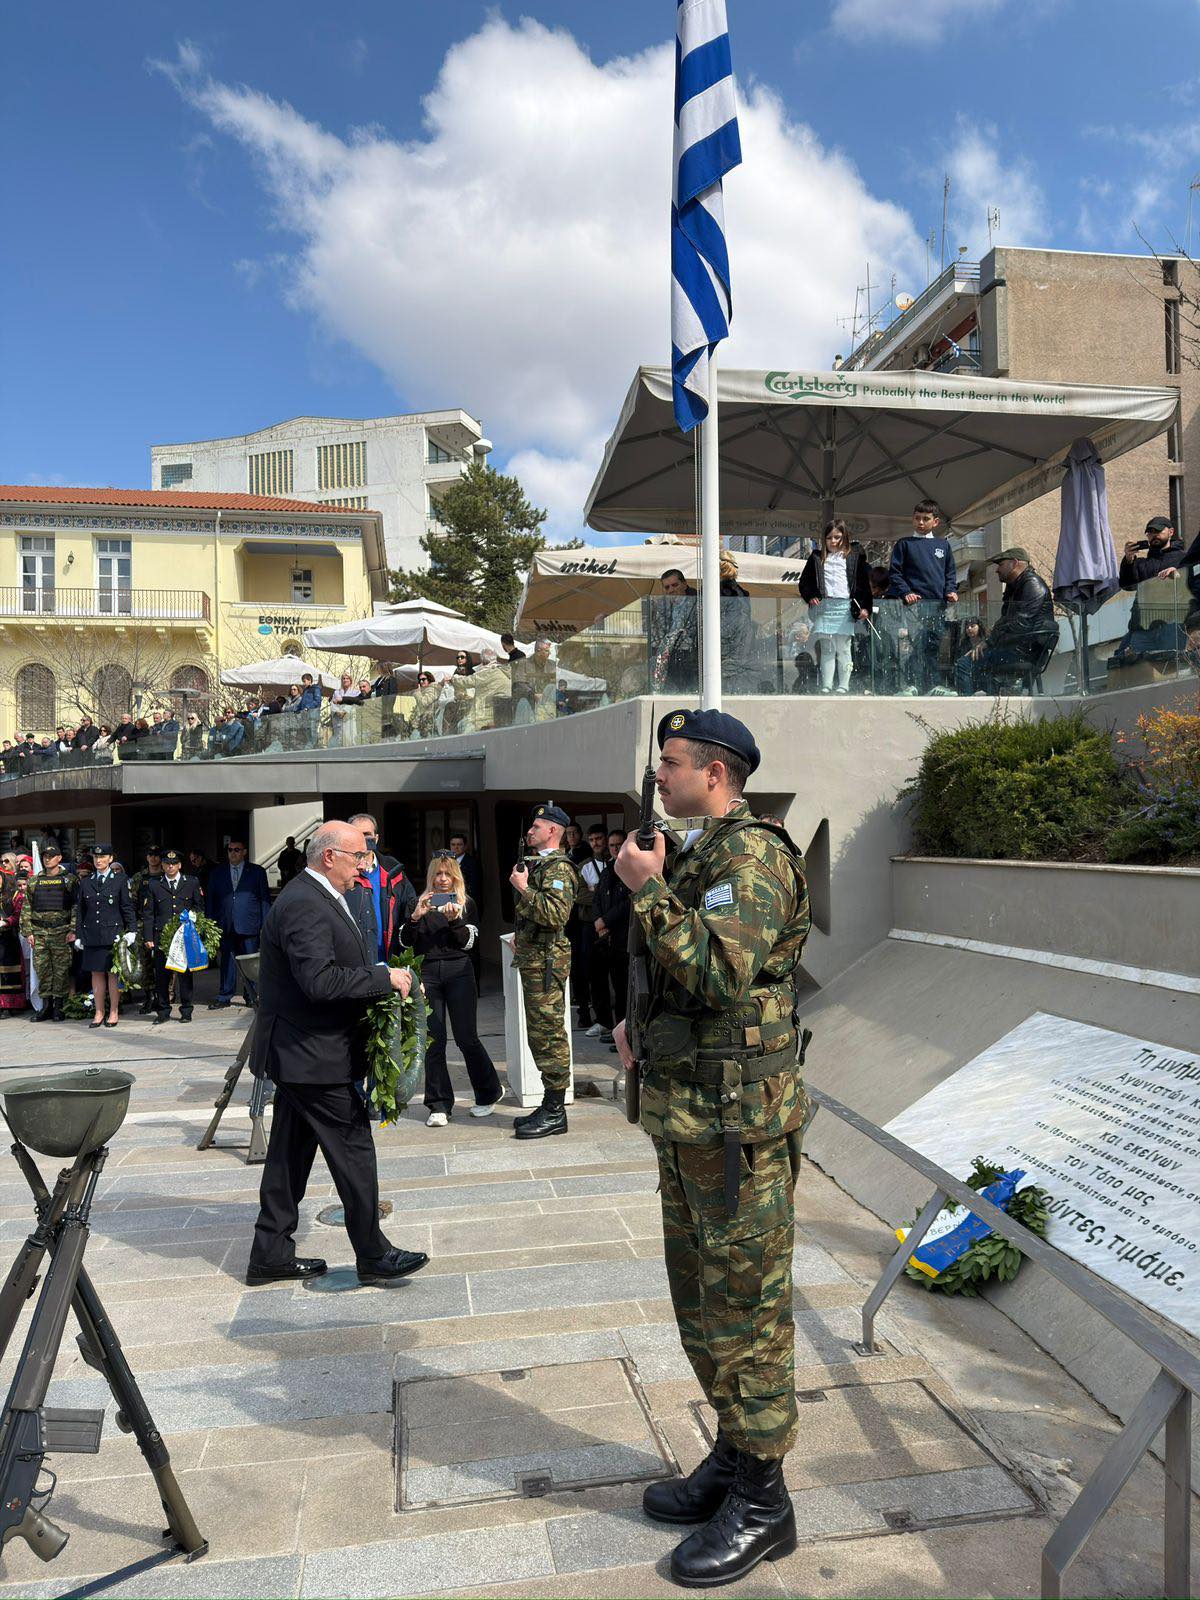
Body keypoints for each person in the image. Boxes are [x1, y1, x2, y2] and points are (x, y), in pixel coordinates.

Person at [612, 709, 810, 1586]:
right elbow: (686, 988)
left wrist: (645, 891)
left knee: (746, 1313)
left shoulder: (752, 857)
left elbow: (724, 970)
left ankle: (766, 1503)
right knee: (700, 1303)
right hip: (692, 1117)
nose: (661, 774)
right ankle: (735, 1461)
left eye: (672, 763)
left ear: (716, 774)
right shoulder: (702, 852)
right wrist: (638, 1027)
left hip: (737, 1132)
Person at [246, 821, 429, 1287]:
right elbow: (320, 982)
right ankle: (373, 1252)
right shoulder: (305, 902)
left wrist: (376, 971)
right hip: (310, 1055)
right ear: (329, 856)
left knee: (289, 1153)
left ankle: (270, 1252)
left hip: (300, 1052)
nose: (365, 867)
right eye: (358, 857)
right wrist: (380, 978)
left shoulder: (316, 895)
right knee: (353, 1149)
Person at [402, 853, 502, 1126]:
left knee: (466, 1038)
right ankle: (438, 1104)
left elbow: (468, 943)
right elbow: (404, 943)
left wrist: (455, 920)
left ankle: (489, 1091)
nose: (443, 879)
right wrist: (414, 917)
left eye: (448, 874)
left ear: (455, 876)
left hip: (460, 973)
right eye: (438, 874)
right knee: (434, 1040)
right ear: (431, 877)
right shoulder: (418, 903)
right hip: (429, 976)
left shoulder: (465, 903)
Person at [508, 802, 581, 1140]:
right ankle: (550, 1103)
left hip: (547, 964)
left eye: (536, 827)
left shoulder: (560, 869)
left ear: (553, 831)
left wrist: (523, 888)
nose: (530, 831)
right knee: (539, 1033)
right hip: (535, 958)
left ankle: (555, 1109)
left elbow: (555, 915)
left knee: (549, 1034)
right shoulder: (540, 865)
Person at [888, 499, 958, 693]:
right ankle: (911, 685)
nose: (920, 522)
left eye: (925, 519)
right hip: (912, 606)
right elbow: (895, 573)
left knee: (932, 647)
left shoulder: (943, 545)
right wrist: (906, 592)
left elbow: (950, 573)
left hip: (937, 606)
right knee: (915, 647)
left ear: (935, 522)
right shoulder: (904, 544)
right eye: (917, 518)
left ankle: (932, 685)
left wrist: (951, 591)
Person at [798, 519, 873, 695]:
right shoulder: (816, 557)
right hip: (825, 607)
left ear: (844, 537)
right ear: (824, 539)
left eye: (837, 537)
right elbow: (804, 582)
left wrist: (865, 607)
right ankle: (827, 685)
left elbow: (863, 585)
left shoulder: (853, 557)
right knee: (827, 648)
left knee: (844, 648)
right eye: (829, 537)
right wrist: (811, 596)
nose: (833, 541)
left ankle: (844, 685)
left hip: (845, 607)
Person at [977, 547, 1058, 690]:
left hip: (1024, 652)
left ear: (1014, 563)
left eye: (1001, 564)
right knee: (970, 658)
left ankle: (977, 704)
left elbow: (1021, 623)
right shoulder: (1014, 586)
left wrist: (990, 642)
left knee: (968, 663)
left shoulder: (1032, 584)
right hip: (1014, 648)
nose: (997, 570)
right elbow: (1004, 620)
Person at [75, 843, 135, 1029]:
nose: (98, 860)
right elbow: (81, 911)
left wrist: (132, 930)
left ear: (110, 859)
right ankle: (99, 1011)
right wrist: (79, 935)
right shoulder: (86, 882)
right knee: (96, 973)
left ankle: (114, 1011)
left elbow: (126, 907)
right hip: (92, 933)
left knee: (112, 974)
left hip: (112, 934)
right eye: (95, 858)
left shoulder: (119, 879)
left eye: (102, 857)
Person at [206, 839, 271, 1009]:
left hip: (249, 924)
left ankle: (251, 995)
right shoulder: (217, 873)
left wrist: (265, 925)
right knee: (227, 961)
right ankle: (224, 996)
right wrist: (210, 924)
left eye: (237, 850)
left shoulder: (257, 872)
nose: (233, 853)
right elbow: (211, 901)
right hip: (225, 925)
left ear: (244, 852)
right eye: (230, 850)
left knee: (251, 962)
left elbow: (264, 900)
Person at [346, 813, 417, 963]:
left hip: (391, 959)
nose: (363, 840)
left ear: (376, 839)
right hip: (356, 964)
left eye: (367, 835)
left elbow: (410, 910)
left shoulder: (394, 871)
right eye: (357, 834)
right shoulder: (341, 873)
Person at [144, 850, 204, 1023]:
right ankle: (163, 1011)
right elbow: (149, 913)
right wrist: (149, 937)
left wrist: (195, 923)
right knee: (162, 976)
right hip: (161, 936)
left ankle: (186, 1010)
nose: (170, 866)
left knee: (184, 974)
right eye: (167, 864)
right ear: (162, 866)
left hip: (183, 935)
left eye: (174, 863)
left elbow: (199, 907)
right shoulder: (154, 884)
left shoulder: (191, 882)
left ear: (179, 865)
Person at [20, 841, 77, 1021]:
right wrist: (28, 932)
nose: (47, 859)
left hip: (62, 932)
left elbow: (76, 907)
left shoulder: (69, 880)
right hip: (39, 933)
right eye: (45, 856)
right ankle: (45, 1007)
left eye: (51, 856)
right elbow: (26, 907)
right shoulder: (34, 881)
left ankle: (58, 1008)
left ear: (59, 858)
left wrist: (73, 930)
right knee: (42, 970)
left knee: (61, 970)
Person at [576, 825, 614, 1040]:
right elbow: (578, 895)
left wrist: (597, 891)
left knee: (619, 975)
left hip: (615, 925)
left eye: (599, 838)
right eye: (592, 840)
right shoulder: (584, 867)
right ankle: (602, 1020)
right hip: (590, 927)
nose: (596, 843)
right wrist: (602, 894)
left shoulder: (617, 863)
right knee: (595, 974)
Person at [593, 828, 631, 1027]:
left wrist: (605, 920)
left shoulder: (632, 868)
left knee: (624, 989)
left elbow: (629, 902)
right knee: (605, 985)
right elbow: (597, 898)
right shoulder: (608, 869)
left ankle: (625, 1033)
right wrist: (598, 921)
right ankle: (611, 1027)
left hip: (624, 939)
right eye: (612, 845)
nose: (615, 848)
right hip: (606, 938)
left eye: (618, 844)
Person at [653, 569, 700, 691]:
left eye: (675, 585)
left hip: (691, 660)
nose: (671, 590)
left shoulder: (698, 602)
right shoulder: (664, 607)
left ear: (684, 584)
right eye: (667, 587)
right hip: (672, 659)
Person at [718, 552, 756, 693]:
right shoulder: (743, 594)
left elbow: (726, 628)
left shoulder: (718, 592)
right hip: (742, 650)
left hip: (727, 651)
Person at [1118, 516, 1185, 589]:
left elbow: (1194, 583)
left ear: (1171, 532)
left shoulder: (1184, 558)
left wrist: (1178, 575)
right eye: (1150, 532)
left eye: (1157, 531)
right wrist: (1128, 560)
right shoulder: (1140, 564)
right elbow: (1127, 587)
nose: (1154, 535)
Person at [0, 861, 28, 1018]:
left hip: (8, 937)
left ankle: (9, 1006)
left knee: (8, 972)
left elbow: (19, 915)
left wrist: (6, 921)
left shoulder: (13, 894)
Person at [953, 617, 990, 695]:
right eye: (967, 627)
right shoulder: (964, 643)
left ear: (979, 627)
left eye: (972, 626)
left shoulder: (985, 642)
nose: (969, 629)